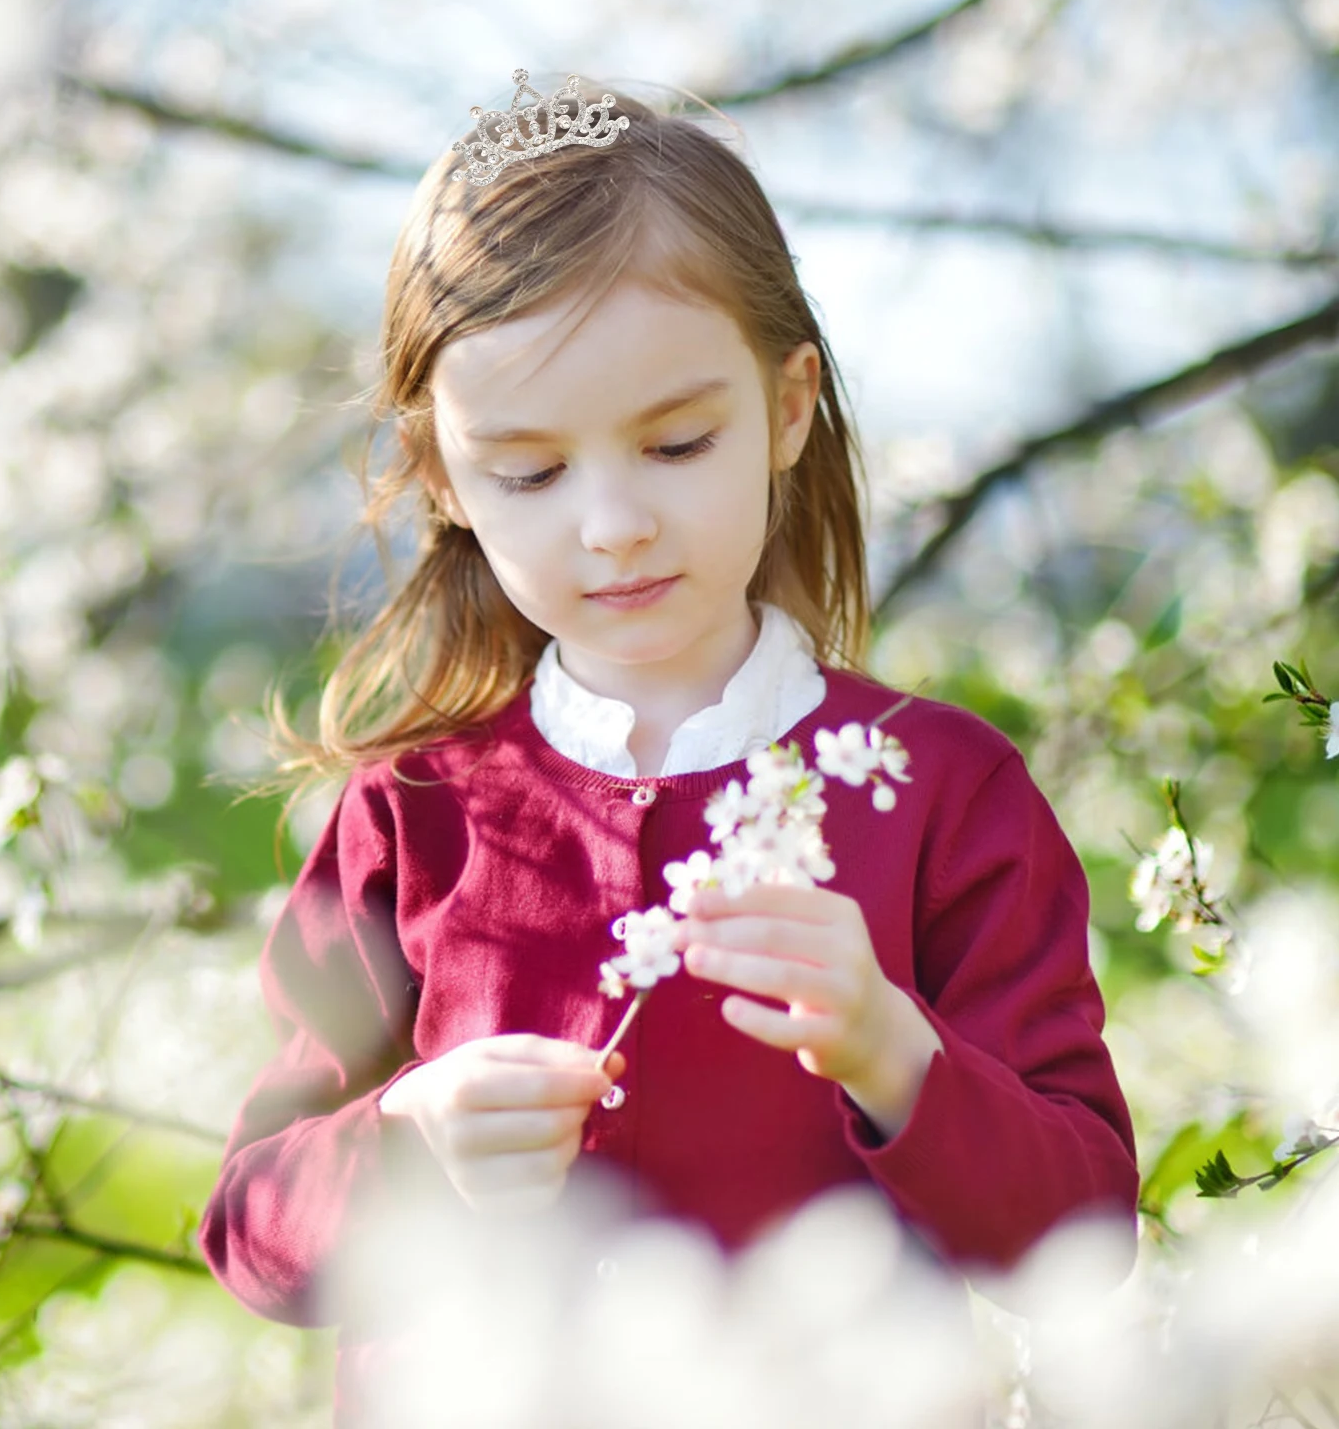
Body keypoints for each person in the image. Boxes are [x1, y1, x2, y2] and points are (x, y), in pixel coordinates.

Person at [200, 71, 1139, 1419]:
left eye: (679, 443)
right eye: (531, 472)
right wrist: (411, 1140)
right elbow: (250, 1230)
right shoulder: (416, 812)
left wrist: (894, 1052)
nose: (615, 524)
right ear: (445, 474)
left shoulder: (936, 788)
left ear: (789, 406)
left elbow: (1082, 1235)